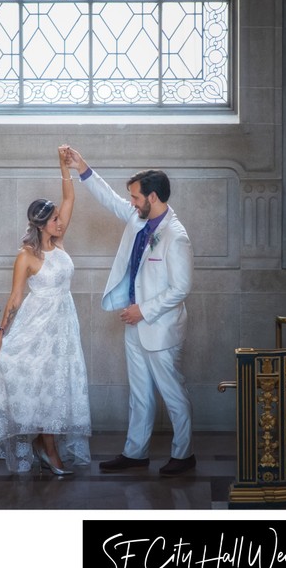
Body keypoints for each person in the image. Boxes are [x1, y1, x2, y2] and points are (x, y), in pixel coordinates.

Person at [64, 147, 195, 476]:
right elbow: (108, 199)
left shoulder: (176, 237)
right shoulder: (139, 219)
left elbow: (180, 289)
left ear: (152, 197)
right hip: (133, 322)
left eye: (136, 197)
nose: (132, 203)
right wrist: (82, 167)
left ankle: (184, 454)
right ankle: (135, 453)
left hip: (160, 326)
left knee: (172, 394)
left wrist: (143, 311)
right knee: (139, 394)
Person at [0, 146, 91, 476]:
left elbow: (69, 199)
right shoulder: (26, 257)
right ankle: (49, 449)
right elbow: (14, 298)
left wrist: (62, 166)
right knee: (41, 385)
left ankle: (47, 446)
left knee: (58, 385)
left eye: (59, 218)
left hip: (63, 326)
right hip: (36, 327)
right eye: (55, 219)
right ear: (43, 225)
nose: (61, 221)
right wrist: (0, 335)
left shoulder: (59, 242)